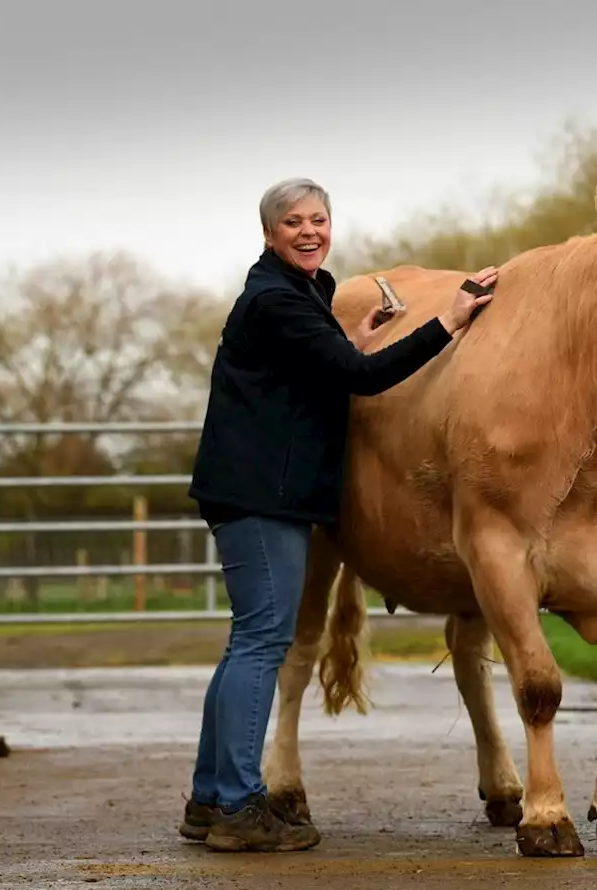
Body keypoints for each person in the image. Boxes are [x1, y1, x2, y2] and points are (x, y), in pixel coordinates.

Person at [179, 177, 498, 853]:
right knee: (264, 641)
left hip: (257, 492)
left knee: (247, 642)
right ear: (269, 233)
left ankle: (209, 800)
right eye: (293, 222)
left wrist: (351, 333)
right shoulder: (275, 299)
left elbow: (313, 371)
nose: (309, 231)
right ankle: (237, 807)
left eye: (318, 219)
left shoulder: (296, 295)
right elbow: (362, 379)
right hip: (262, 498)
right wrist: (450, 321)